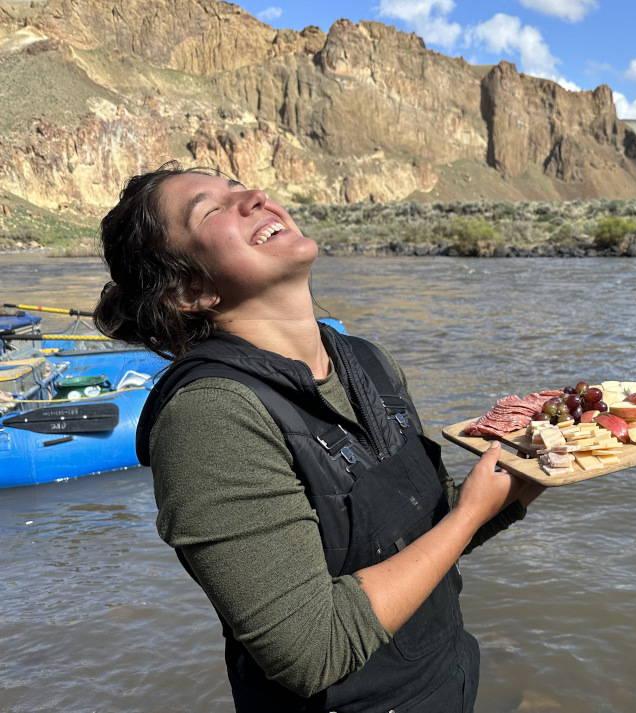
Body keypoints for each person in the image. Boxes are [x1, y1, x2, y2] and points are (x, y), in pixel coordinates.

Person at [94, 162, 544, 712]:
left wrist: (528, 471)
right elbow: (312, 650)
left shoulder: (368, 365)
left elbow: (426, 532)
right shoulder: (210, 418)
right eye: (211, 208)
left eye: (240, 186)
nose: (254, 196)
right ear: (191, 290)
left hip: (448, 687)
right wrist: (468, 515)